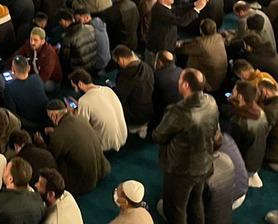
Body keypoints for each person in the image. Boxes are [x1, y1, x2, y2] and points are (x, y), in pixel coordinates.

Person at [152, 68, 219, 224]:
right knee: (196, 203)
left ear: (186, 85)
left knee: (176, 209)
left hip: (181, 170)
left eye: (180, 79)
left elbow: (158, 136)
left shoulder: (179, 112)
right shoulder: (211, 102)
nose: (178, 82)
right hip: (204, 164)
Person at [38, 99, 110, 195]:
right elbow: (70, 133)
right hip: (101, 169)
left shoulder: (58, 135)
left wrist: (41, 144)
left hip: (84, 182)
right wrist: (55, 131)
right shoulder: (81, 118)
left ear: (54, 116)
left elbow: (50, 157)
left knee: (56, 162)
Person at [68, 69, 128, 152]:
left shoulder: (83, 101)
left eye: (74, 87)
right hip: (123, 136)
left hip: (105, 145)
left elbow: (82, 126)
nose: (75, 90)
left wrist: (72, 112)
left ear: (80, 84)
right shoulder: (107, 89)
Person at [228, 80, 269, 188]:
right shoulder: (262, 113)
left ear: (240, 97)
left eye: (234, 91)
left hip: (245, 166)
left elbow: (233, 147)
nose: (231, 92)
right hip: (258, 161)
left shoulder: (239, 121)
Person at [112, 46, 154, 138]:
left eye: (117, 61)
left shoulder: (125, 76)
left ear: (121, 60)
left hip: (135, 116)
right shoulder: (147, 67)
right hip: (150, 110)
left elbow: (119, 98)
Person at [17, 27, 62, 92]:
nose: (32, 42)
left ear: (42, 41)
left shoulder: (49, 53)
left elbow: (44, 77)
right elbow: (17, 54)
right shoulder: (29, 45)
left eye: (35, 40)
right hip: (35, 74)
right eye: (31, 39)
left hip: (51, 80)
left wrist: (27, 84)